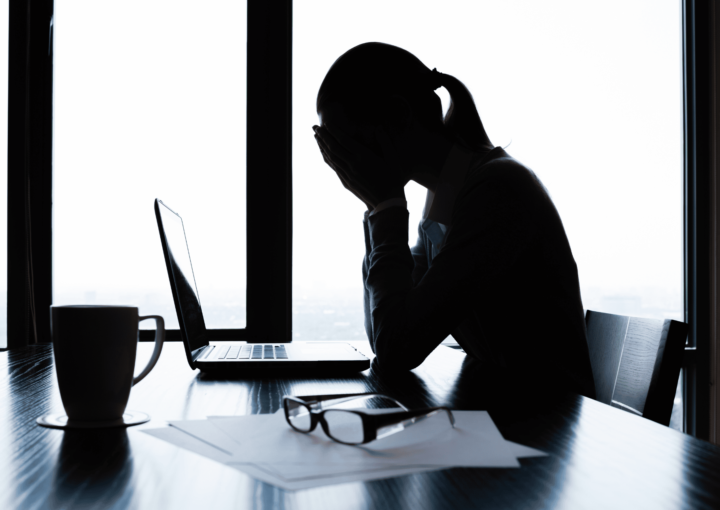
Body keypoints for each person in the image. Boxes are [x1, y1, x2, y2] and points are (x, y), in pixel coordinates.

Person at [313, 42, 595, 398]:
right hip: (511, 409)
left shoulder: (497, 189)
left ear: (399, 115)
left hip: (548, 423)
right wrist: (378, 209)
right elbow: (387, 332)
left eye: (347, 145)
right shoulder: (446, 192)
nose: (345, 164)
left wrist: (384, 208)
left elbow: (398, 348)